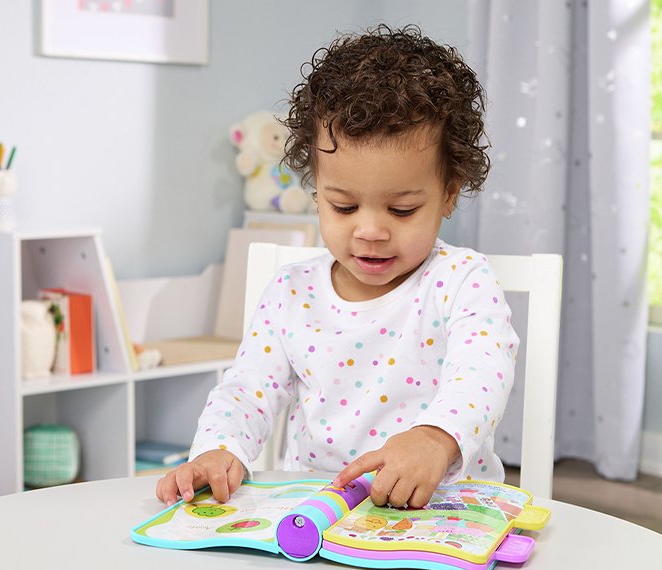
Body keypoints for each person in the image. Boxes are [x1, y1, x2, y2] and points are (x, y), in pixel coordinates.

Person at [157, 24, 519, 510]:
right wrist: (219, 449)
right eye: (344, 207)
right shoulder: (291, 291)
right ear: (317, 191)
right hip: (316, 511)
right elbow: (248, 388)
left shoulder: (461, 282)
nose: (370, 230)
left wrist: (435, 438)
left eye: (402, 210)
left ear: (448, 193)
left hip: (441, 511)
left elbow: (482, 372)